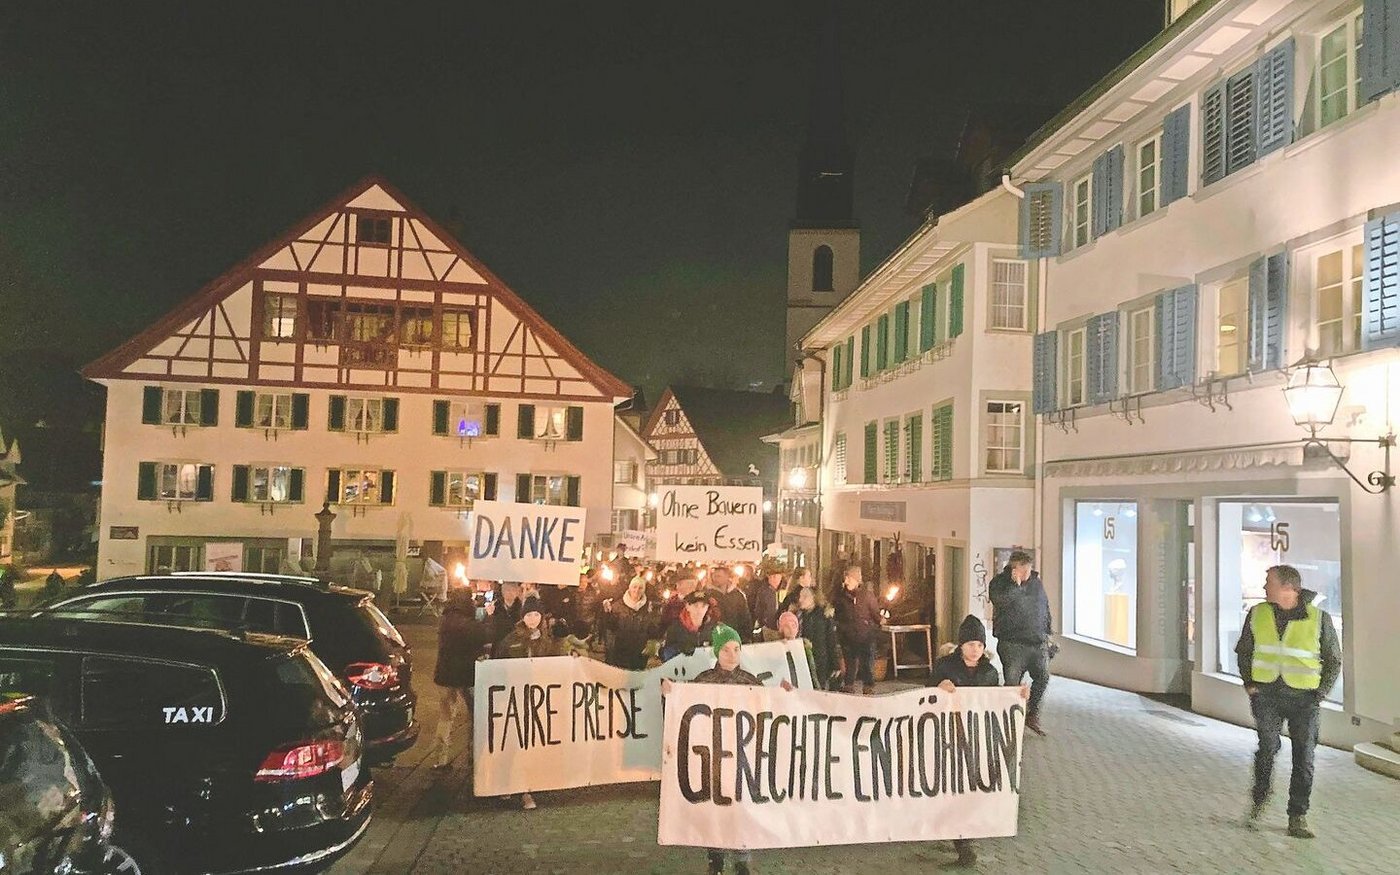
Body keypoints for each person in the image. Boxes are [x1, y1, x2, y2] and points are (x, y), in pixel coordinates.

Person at [661, 624, 789, 875]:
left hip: (742, 756)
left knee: (741, 807)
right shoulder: (705, 680)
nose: (732, 654)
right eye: (726, 649)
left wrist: (783, 696)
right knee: (715, 807)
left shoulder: (750, 682)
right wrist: (672, 693)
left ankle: (742, 858)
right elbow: (686, 707)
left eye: (736, 649)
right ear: (717, 653)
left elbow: (767, 711)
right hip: (713, 757)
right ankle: (715, 858)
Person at [1237, 564, 1341, 839]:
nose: (1264, 587)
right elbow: (1244, 650)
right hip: (1267, 695)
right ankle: (1259, 799)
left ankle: (1298, 815)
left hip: (1304, 699)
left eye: (1268, 582)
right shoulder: (1257, 613)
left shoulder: (1319, 618)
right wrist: (1249, 684)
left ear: (1288, 588)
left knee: (1304, 757)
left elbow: (1333, 659)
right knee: (1267, 748)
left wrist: (1319, 695)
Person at [931, 614, 1030, 867]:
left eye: (979, 645)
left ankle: (965, 841)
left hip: (977, 740)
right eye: (971, 644)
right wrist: (939, 688)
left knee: (968, 787)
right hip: (948, 737)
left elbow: (996, 701)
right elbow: (926, 694)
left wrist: (1017, 695)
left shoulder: (989, 671)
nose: (975, 649)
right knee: (951, 786)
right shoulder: (945, 667)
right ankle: (958, 837)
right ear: (961, 645)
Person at [495, 597, 562, 810]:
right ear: (522, 617)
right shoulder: (512, 639)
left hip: (537, 700)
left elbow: (555, 665)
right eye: (528, 615)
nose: (532, 619)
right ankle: (506, 784)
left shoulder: (548, 640)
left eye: (536, 615)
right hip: (515, 700)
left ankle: (526, 789)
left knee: (530, 745)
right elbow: (498, 664)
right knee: (513, 744)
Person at [988, 551, 1052, 736]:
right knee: (1012, 683)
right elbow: (999, 602)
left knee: (1043, 677)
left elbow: (1044, 607)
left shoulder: (1036, 583)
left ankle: (1032, 714)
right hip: (1012, 643)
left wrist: (1048, 632)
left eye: (1028, 569)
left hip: (1037, 642)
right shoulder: (999, 583)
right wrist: (1015, 587)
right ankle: (1008, 720)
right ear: (1013, 569)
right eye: (1023, 570)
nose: (1026, 574)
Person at [430, 591, 493, 770]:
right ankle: (473, 754)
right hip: (466, 675)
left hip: (444, 675)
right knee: (475, 716)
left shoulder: (446, 619)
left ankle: (440, 758)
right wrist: (488, 616)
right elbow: (484, 635)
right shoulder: (467, 623)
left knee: (445, 717)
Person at [833, 566, 881, 694]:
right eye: (846, 578)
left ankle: (868, 686)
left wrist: (880, 620)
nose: (846, 581)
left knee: (867, 662)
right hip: (848, 636)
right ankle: (849, 685)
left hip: (865, 635)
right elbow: (836, 614)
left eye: (849, 578)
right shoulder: (841, 596)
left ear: (856, 580)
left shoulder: (866, 596)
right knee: (850, 663)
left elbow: (875, 613)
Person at [600, 576, 661, 670]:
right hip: (620, 650)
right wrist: (607, 613)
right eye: (634, 587)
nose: (637, 590)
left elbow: (652, 630)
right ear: (629, 588)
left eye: (640, 588)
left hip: (639, 652)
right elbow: (611, 627)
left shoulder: (648, 608)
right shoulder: (618, 606)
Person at [794, 586, 839, 689]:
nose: (801, 600)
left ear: (814, 598)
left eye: (805, 597)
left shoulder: (823, 616)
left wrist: (835, 664)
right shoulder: (798, 615)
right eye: (800, 596)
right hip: (802, 659)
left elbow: (831, 640)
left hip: (819, 661)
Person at [660, 590, 717, 661]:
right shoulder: (676, 627)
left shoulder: (713, 628)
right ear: (687, 606)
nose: (699, 610)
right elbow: (667, 653)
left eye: (703, 606)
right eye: (695, 606)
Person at [710, 566, 753, 642]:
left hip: (736, 636)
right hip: (716, 638)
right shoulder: (709, 595)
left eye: (718, 576)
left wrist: (746, 636)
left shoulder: (737, 594)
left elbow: (745, 616)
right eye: (714, 576)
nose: (715, 579)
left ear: (727, 577)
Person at [776, 610, 819, 685]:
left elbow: (812, 673)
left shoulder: (804, 647)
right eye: (786, 626)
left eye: (793, 625)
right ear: (781, 629)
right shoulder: (775, 649)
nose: (790, 629)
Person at [750, 568, 783, 633]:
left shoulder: (782, 590)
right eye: (773, 577)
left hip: (780, 625)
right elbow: (758, 609)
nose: (776, 580)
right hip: (768, 626)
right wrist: (763, 622)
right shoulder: (763, 591)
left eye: (778, 577)